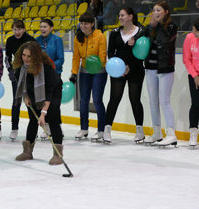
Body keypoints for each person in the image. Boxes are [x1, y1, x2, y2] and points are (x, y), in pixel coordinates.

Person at [133, 0, 178, 146]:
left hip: (165, 69)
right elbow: (139, 35)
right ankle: (157, 132)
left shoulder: (171, 27)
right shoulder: (152, 26)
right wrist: (147, 28)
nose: (156, 13)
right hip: (150, 68)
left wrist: (155, 26)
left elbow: (165, 42)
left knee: (164, 102)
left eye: (159, 10)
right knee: (153, 102)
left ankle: (171, 134)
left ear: (166, 12)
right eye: (154, 10)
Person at [14, 41, 64, 165]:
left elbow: (49, 93)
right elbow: (22, 86)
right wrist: (26, 97)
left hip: (52, 92)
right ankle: (27, 152)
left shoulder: (46, 69)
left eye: (29, 56)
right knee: (32, 119)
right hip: (33, 92)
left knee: (52, 119)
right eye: (24, 55)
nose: (25, 58)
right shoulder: (20, 69)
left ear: (36, 57)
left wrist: (43, 113)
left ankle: (58, 154)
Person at [103, 7, 145, 143]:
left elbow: (142, 54)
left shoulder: (140, 32)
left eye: (122, 15)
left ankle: (140, 131)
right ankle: (107, 130)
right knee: (114, 98)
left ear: (130, 16)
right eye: (119, 15)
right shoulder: (115, 33)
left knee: (135, 99)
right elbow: (111, 53)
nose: (120, 17)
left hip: (136, 69)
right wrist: (119, 68)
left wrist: (129, 67)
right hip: (118, 71)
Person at [69, 12, 107, 141]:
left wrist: (96, 65)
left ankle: (101, 130)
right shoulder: (77, 37)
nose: (83, 26)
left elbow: (103, 56)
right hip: (84, 72)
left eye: (86, 23)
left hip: (99, 71)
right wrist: (74, 72)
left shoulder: (100, 36)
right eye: (82, 23)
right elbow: (76, 57)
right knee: (83, 101)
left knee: (97, 100)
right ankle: (84, 128)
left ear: (92, 24)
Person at [5, 20, 35, 141]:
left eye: (19, 29)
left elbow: (36, 56)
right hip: (16, 74)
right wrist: (10, 70)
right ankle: (14, 128)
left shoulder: (30, 40)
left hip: (29, 73)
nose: (17, 32)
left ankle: (34, 126)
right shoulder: (10, 40)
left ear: (24, 29)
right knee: (16, 101)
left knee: (30, 100)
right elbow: (7, 57)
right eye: (15, 30)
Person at [35, 18, 64, 140]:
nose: (42, 29)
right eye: (41, 26)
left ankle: (56, 126)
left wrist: (49, 67)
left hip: (54, 75)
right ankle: (46, 126)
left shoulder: (57, 40)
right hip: (40, 76)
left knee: (54, 103)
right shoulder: (36, 40)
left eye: (45, 26)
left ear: (51, 28)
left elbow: (60, 59)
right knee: (43, 101)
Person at [183, 18, 199, 147]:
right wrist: (195, 75)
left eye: (196, 31)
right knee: (196, 104)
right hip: (194, 75)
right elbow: (186, 59)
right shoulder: (189, 38)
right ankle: (193, 132)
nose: (194, 33)